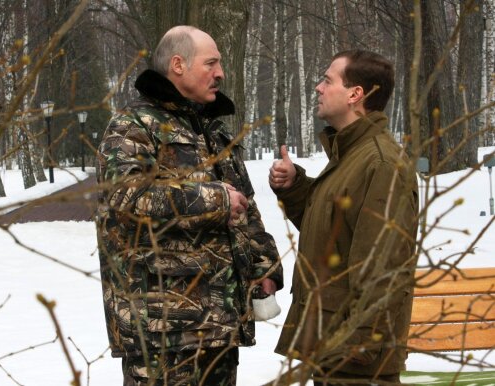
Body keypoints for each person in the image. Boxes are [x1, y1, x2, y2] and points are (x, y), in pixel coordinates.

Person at [96, 25, 283, 386]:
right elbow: (125, 200)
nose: (220, 74)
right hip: (162, 332)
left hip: (218, 324)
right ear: (178, 65)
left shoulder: (212, 130)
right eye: (211, 63)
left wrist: (264, 264)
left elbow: (244, 205)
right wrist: (214, 199)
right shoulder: (133, 125)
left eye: (220, 65)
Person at [269, 50, 419, 385]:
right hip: (333, 351)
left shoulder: (381, 164)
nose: (318, 88)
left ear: (355, 95)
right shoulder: (350, 155)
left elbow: (382, 269)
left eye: (327, 80)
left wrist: (356, 348)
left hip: (354, 363)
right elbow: (332, 230)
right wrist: (295, 187)